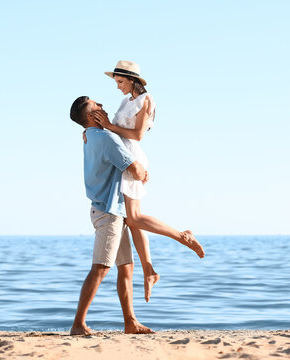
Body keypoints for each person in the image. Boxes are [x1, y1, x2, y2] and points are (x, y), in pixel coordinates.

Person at [91, 60, 205, 302]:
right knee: (133, 222)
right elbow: (116, 133)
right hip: (123, 158)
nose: (118, 87)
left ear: (132, 80)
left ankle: (182, 236)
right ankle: (149, 270)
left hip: (131, 157)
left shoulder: (146, 100)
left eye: (120, 82)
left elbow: (138, 135)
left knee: (134, 218)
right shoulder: (126, 101)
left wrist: (109, 126)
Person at [69, 96, 153, 335]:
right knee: (101, 268)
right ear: (90, 116)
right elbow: (134, 169)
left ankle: (131, 322)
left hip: (110, 210)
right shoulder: (105, 139)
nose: (102, 107)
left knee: (126, 267)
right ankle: (78, 324)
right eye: (97, 106)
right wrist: (143, 172)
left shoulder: (90, 137)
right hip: (109, 212)